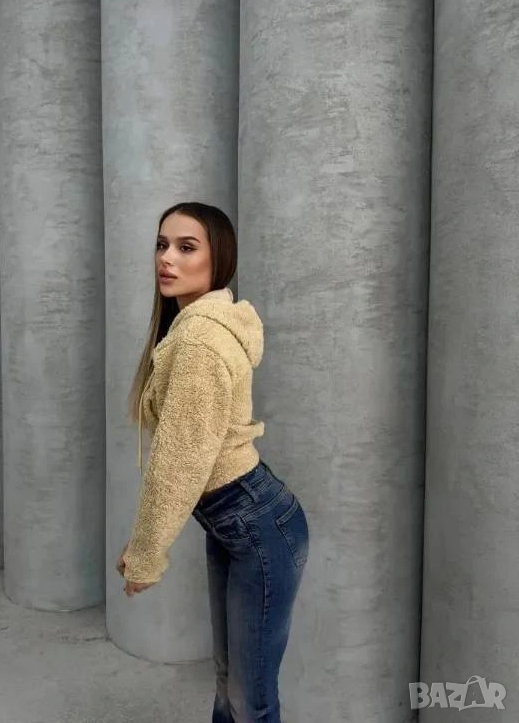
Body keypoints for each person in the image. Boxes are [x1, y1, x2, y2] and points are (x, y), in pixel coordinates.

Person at [116, 201, 309, 723]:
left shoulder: (200, 341)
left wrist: (147, 555)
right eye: (162, 245)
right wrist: (144, 544)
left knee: (250, 700)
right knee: (230, 684)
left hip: (255, 523)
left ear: (217, 257)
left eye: (186, 247)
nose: (167, 258)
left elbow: (179, 464)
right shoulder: (192, 329)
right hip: (238, 521)